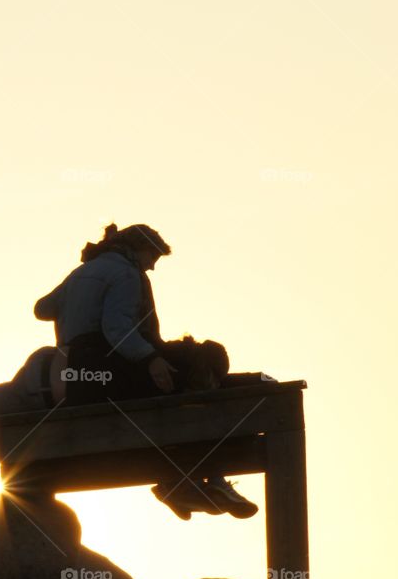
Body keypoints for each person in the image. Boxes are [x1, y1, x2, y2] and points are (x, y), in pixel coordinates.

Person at [34, 222, 257, 520]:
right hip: (113, 369)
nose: (152, 267)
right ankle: (199, 477)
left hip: (78, 372)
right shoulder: (127, 274)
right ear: (138, 250)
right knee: (207, 359)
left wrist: (85, 285)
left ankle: (185, 481)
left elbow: (42, 308)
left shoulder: (81, 273)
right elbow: (117, 328)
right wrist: (150, 359)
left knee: (193, 368)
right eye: (152, 258)